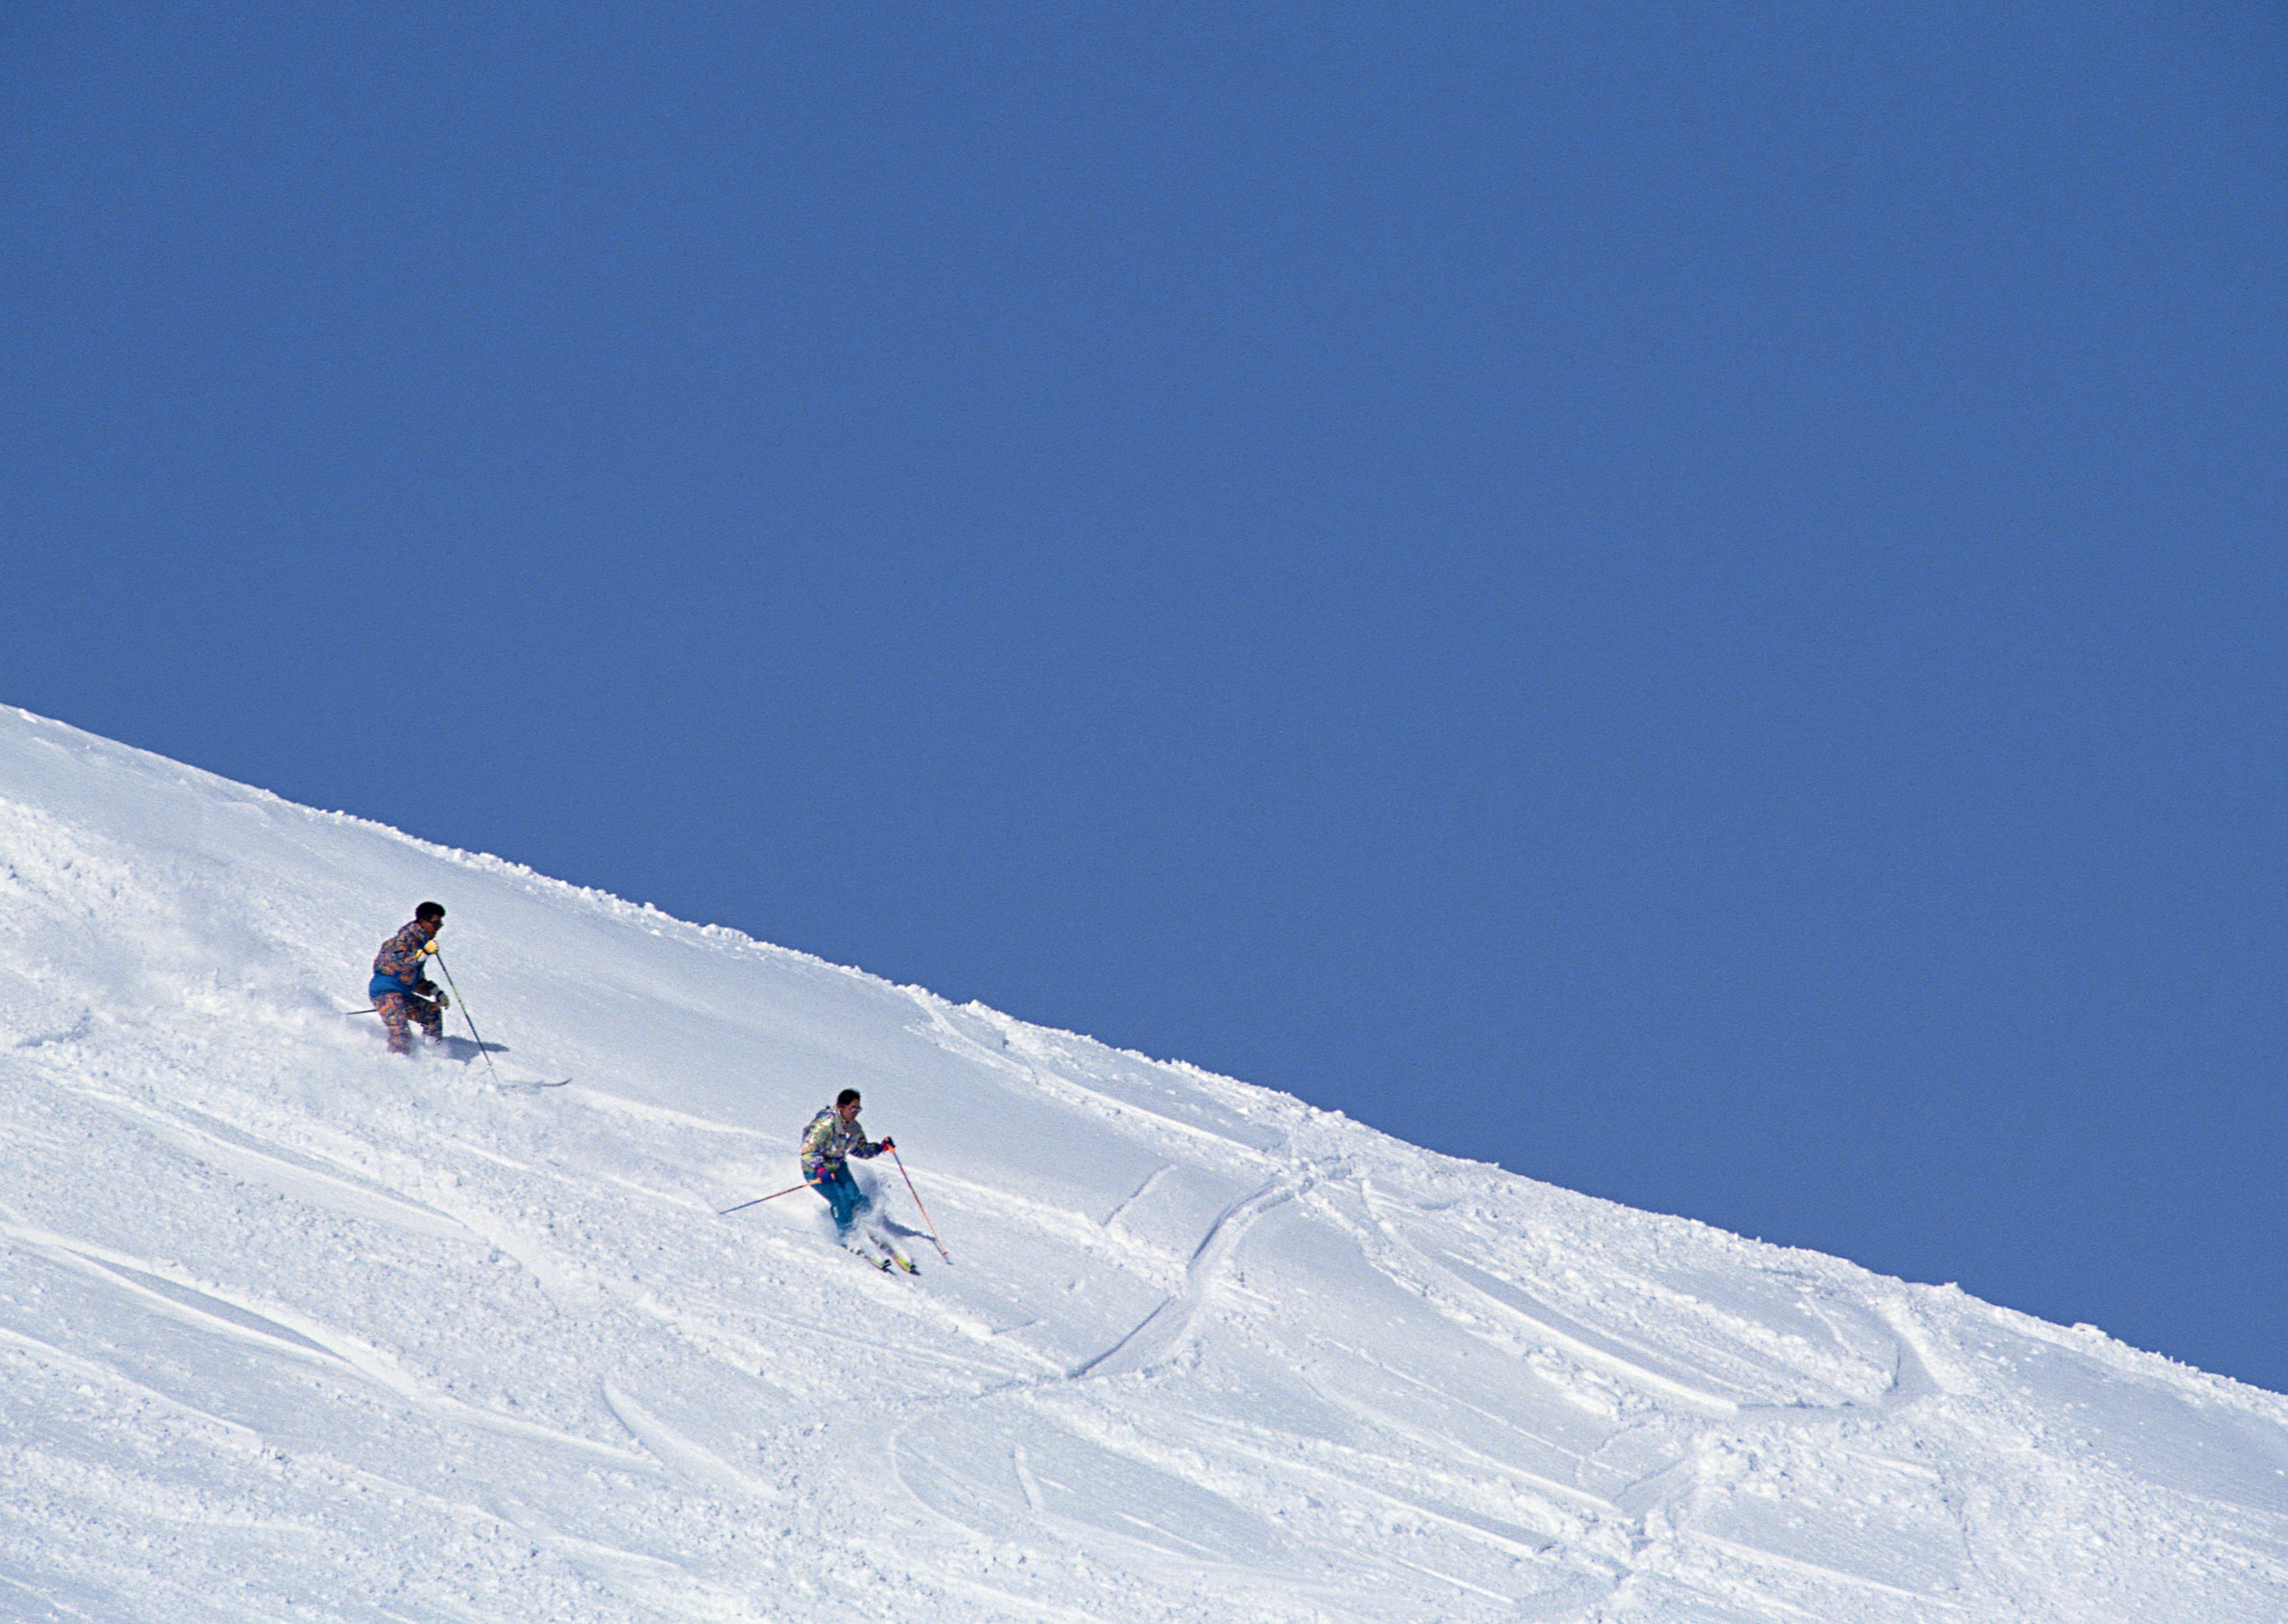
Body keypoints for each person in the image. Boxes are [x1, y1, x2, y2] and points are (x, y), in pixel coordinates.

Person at [799, 1089, 895, 1238]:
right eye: (853, 1109)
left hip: (838, 1166)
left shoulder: (854, 1128)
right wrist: (819, 1168)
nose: (856, 1113)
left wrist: (880, 1147)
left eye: (858, 1109)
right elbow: (808, 1149)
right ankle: (847, 1235)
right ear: (842, 1106)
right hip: (816, 1170)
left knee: (856, 1198)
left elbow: (860, 1150)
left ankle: (870, 1227)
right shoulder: (825, 1124)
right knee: (842, 1199)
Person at [371, 902, 450, 1055]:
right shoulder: (403, 939)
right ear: (423, 921)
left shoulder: (421, 945)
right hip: (386, 992)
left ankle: (433, 1053)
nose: (438, 929)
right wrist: (422, 954)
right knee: (401, 1034)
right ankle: (397, 1064)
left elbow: (413, 978)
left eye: (440, 925)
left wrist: (435, 991)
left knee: (432, 1014)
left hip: (403, 995)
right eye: (435, 924)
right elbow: (395, 962)